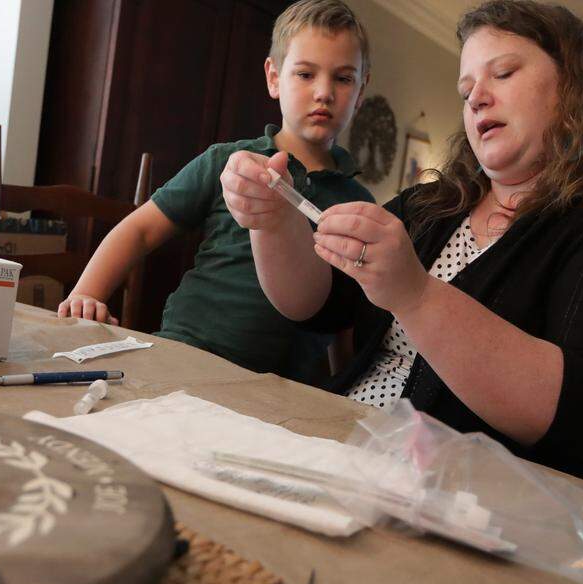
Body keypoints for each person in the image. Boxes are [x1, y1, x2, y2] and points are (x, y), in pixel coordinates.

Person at [220, 0, 583, 483]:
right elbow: (317, 304)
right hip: (349, 457)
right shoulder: (430, 207)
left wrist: (415, 294)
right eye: (466, 87)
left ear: (573, 85)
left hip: (488, 512)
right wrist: (271, 222)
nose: (476, 98)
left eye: (503, 73)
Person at [57, 0, 375, 385]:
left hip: (284, 392)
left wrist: (344, 386)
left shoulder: (362, 206)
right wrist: (86, 295)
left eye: (343, 79)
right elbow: (139, 230)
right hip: (185, 355)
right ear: (274, 78)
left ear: (361, 90)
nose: (324, 92)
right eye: (306, 74)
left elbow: (345, 314)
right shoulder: (224, 161)